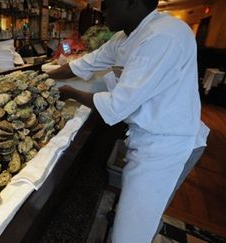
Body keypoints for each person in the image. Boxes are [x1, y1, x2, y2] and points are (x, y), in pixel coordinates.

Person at [47, 0, 210, 242]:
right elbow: (84, 63)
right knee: (140, 218)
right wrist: (42, 76)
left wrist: (70, 92)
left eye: (109, 4)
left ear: (133, 2)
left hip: (165, 144)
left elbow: (117, 105)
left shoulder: (163, 36)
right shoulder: (125, 37)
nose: (103, 11)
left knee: (130, 234)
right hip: (149, 136)